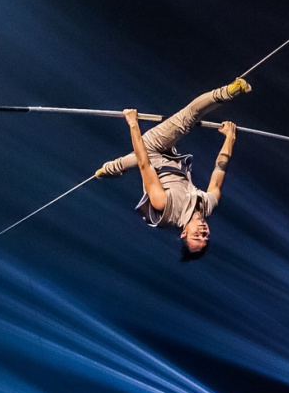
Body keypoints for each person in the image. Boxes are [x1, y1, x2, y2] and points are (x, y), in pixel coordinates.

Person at [96, 78, 251, 260]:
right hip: (170, 156)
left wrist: (132, 123)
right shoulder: (207, 205)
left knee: (187, 118)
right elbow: (219, 172)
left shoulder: (165, 207)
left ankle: (229, 91)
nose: (202, 232)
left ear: (184, 233)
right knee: (124, 162)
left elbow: (144, 163)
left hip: (150, 151)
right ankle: (112, 168)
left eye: (196, 236)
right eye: (205, 236)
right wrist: (230, 138)